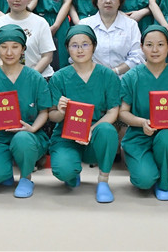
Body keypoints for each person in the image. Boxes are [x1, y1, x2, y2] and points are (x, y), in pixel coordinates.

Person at [119, 25, 168, 201]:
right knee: (144, 181)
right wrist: (142, 122)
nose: (155, 50)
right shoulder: (132, 76)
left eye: (160, 45)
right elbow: (123, 112)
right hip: (139, 136)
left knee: (167, 137)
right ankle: (147, 170)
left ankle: (163, 180)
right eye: (149, 45)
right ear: (141, 47)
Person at [48, 25, 121, 203]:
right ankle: (71, 172)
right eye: (74, 45)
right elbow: (52, 116)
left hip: (95, 135)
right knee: (64, 170)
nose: (80, 50)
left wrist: (90, 130)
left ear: (94, 46)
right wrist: (60, 112)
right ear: (67, 49)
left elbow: (113, 110)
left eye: (85, 44)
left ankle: (103, 180)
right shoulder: (59, 77)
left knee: (107, 130)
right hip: (66, 136)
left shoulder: (107, 75)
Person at [0, 25, 53, 198]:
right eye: (4, 47)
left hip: (29, 135)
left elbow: (44, 111)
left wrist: (32, 129)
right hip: (0, 136)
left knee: (22, 140)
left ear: (23, 49)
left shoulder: (35, 78)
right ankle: (5, 171)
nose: (9, 52)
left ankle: (25, 177)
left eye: (15, 47)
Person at [0, 0, 56, 78]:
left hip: (38, 78)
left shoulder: (41, 22)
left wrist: (29, 77)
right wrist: (9, 73)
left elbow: (47, 56)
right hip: (7, 78)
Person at [80, 0, 144, 77]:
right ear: (96, 0)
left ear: (120, 1)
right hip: (92, 77)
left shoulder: (131, 25)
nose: (108, 1)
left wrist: (115, 71)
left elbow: (137, 56)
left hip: (124, 78)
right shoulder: (85, 25)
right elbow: (78, 55)